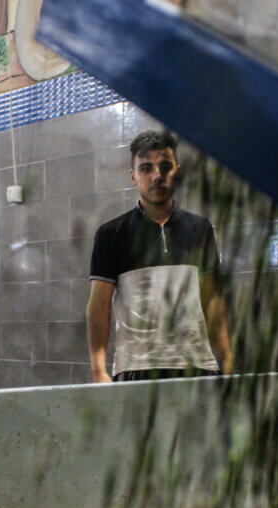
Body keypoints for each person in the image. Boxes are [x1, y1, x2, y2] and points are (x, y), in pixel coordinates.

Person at [86, 130, 232, 382]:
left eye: (165, 167)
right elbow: (99, 306)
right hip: (137, 368)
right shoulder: (111, 234)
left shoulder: (200, 229)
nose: (157, 176)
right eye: (146, 168)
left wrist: (227, 359)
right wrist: (98, 369)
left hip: (196, 365)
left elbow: (212, 303)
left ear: (178, 172)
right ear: (133, 176)